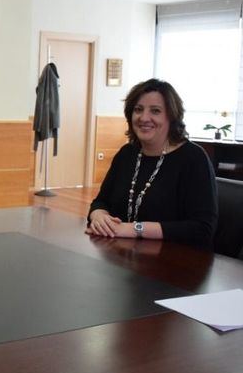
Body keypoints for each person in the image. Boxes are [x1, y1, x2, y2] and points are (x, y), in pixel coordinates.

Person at [87, 78, 217, 249]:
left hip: (177, 264)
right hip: (122, 259)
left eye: (155, 111)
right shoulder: (127, 154)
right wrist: (98, 215)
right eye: (138, 109)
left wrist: (135, 229)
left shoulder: (194, 158)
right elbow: (101, 201)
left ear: (171, 117)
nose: (144, 118)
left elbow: (202, 229)